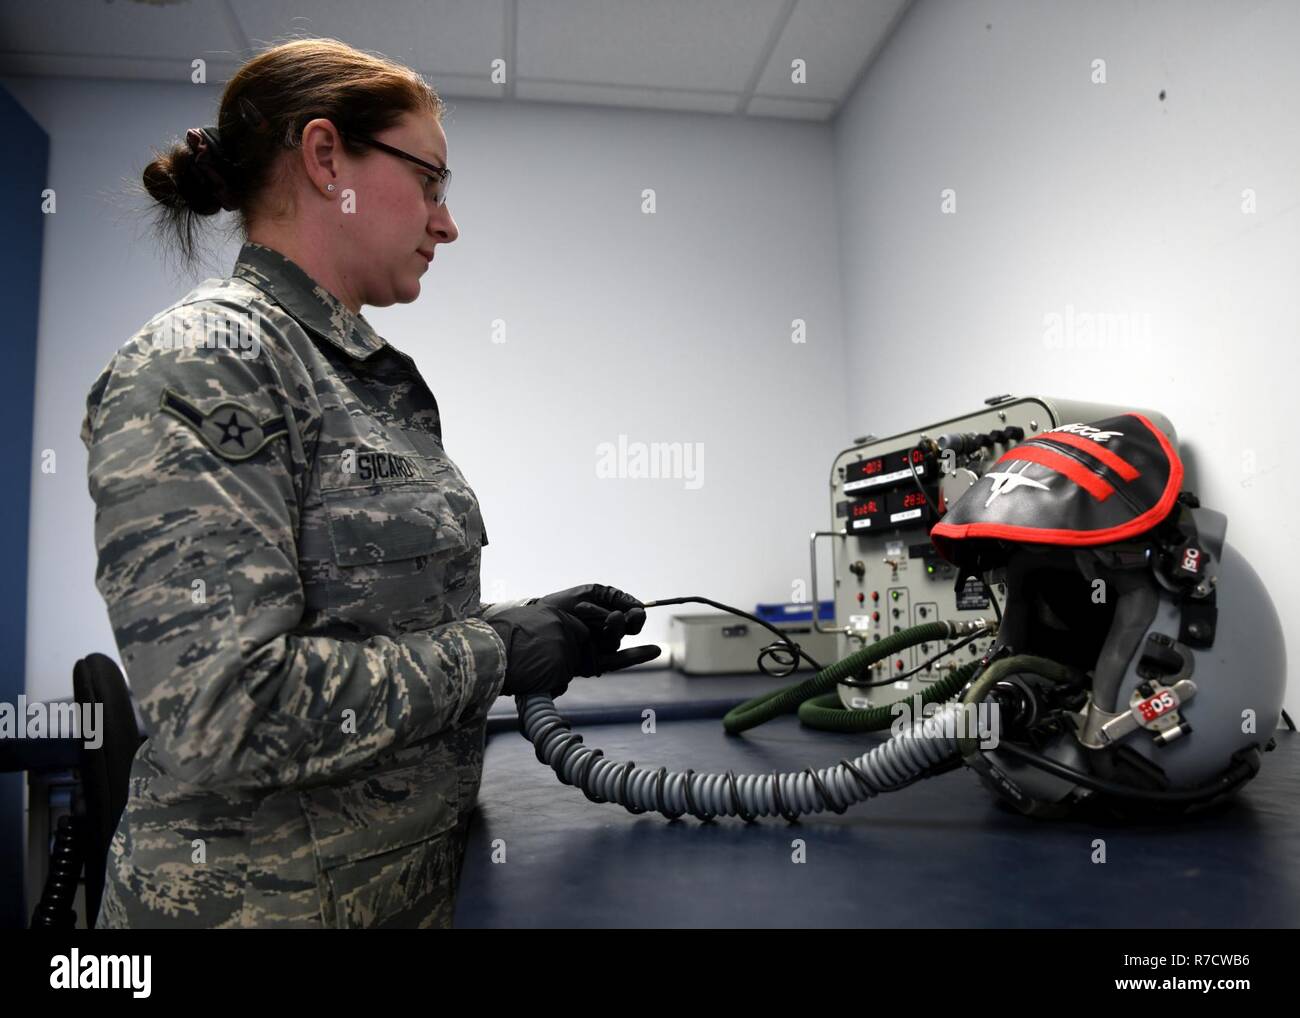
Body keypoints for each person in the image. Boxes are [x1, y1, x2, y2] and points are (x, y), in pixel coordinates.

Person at [79, 37, 659, 929]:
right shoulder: (209, 361)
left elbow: (358, 618)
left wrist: (515, 625)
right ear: (324, 159)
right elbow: (223, 709)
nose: (446, 221)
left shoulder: (351, 370)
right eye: (430, 180)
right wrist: (496, 653)